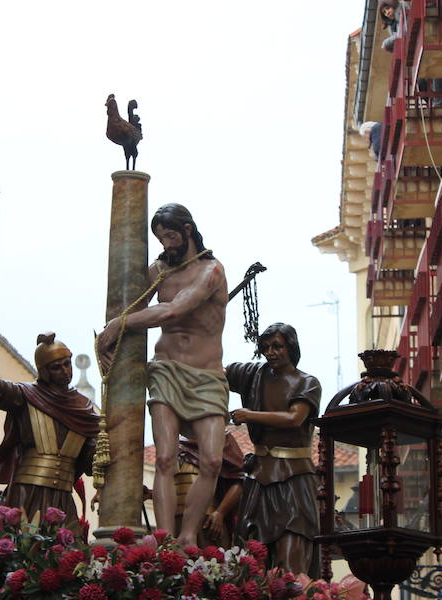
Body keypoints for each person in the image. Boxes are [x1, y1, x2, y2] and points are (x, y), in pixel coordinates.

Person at [98, 202, 228, 547]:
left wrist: (119, 324)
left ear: (188, 230)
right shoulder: (157, 270)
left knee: (212, 460)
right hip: (166, 369)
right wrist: (114, 330)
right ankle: (166, 538)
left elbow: (173, 310)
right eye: (161, 239)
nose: (167, 244)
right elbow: (129, 300)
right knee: (165, 457)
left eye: (171, 236)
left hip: (207, 374)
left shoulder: (212, 270)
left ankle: (189, 536)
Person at [0, 328, 100, 529]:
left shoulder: (85, 409)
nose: (65, 371)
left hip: (63, 496)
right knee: (24, 541)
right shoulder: (25, 395)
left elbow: (94, 458)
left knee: (69, 545)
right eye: (56, 367)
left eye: (67, 364)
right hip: (27, 492)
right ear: (44, 371)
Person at [228, 323, 322, 576]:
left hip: (294, 478)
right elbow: (214, 371)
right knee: (251, 557)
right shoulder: (254, 374)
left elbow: (295, 418)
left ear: (291, 347)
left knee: (291, 553)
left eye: (277, 346)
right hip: (259, 477)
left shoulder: (307, 383)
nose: (270, 352)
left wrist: (249, 415)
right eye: (266, 347)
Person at [174, 430, 244, 547]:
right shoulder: (173, 442)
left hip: (207, 519)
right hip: (175, 519)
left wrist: (220, 512)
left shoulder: (220, 436)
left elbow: (240, 480)